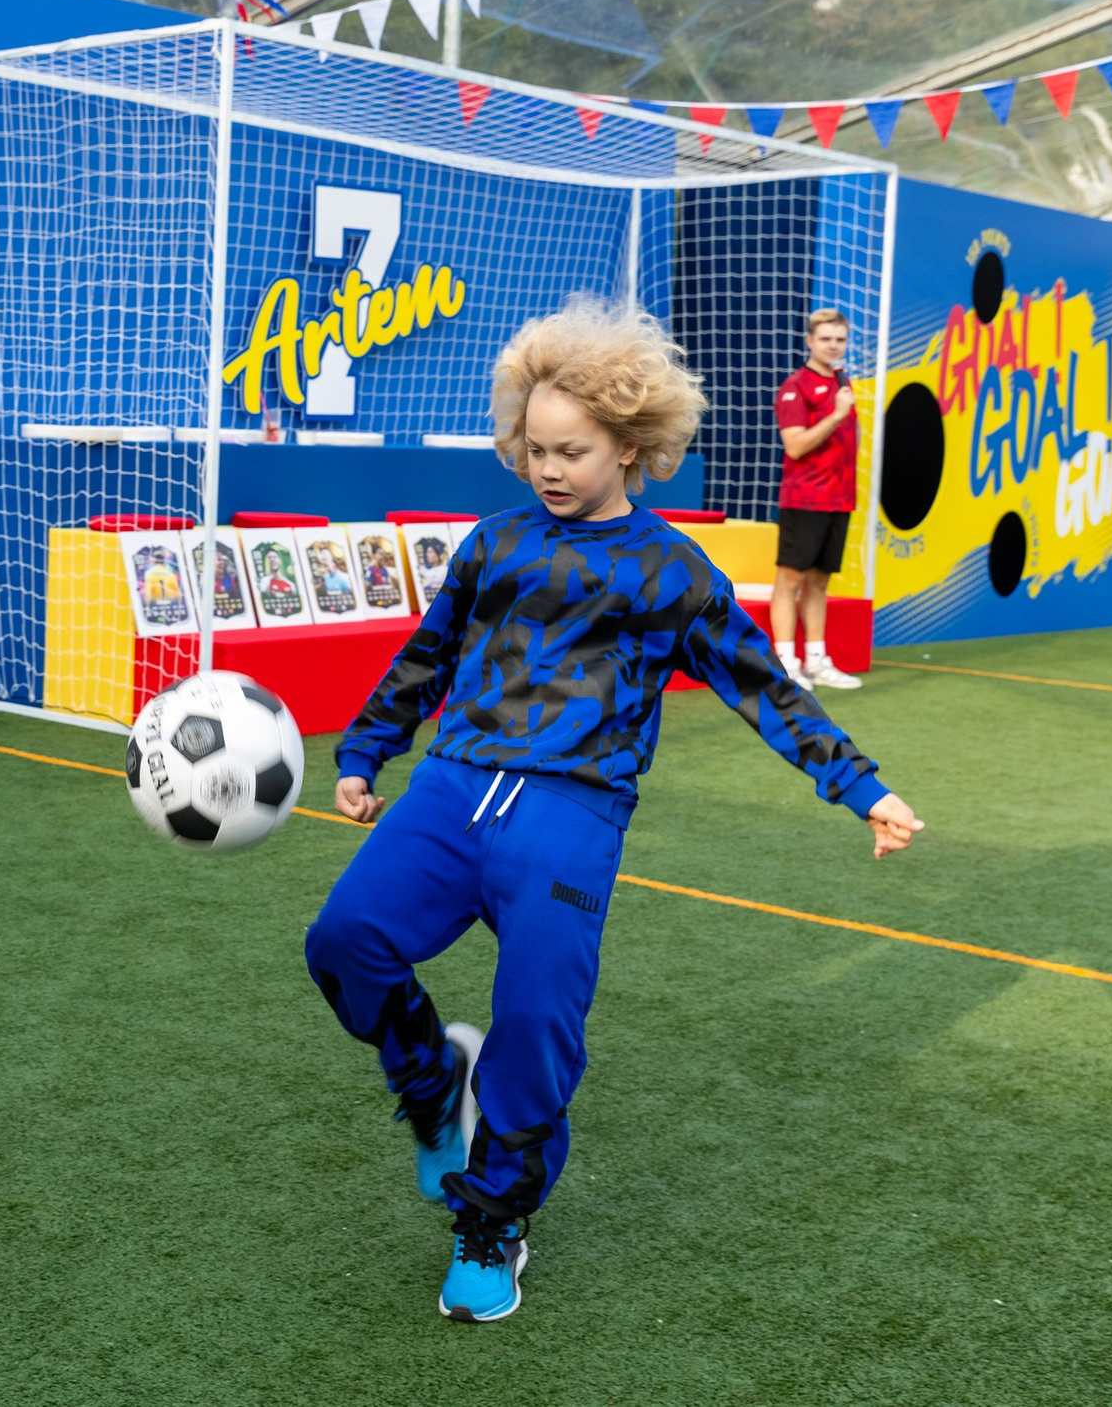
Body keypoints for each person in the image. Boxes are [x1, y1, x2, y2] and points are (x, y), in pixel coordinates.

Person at [304, 297, 923, 1324]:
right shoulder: (495, 541)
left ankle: (492, 1221)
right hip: (452, 787)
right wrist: (369, 750)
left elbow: (763, 685)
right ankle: (429, 1088)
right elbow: (427, 651)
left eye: (572, 451)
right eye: (533, 448)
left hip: (571, 816)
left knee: (536, 1026)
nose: (548, 469)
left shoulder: (672, 571)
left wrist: (860, 786)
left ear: (631, 446)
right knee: (343, 941)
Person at [772, 308, 863, 692]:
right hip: (805, 498)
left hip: (839, 499)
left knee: (820, 582)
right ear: (810, 341)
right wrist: (836, 415)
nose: (833, 346)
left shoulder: (843, 382)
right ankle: (785, 662)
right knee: (789, 580)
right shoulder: (796, 386)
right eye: (826, 339)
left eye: (840, 340)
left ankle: (816, 659)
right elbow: (794, 446)